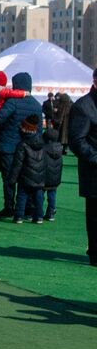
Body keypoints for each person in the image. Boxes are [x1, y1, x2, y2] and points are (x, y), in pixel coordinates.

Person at [0, 71, 42, 217]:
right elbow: (38, 129)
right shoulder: (37, 105)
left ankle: (9, 207)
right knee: (27, 177)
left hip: (9, 147)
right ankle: (28, 208)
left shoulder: (12, 102)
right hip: (29, 149)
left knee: (9, 178)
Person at [68, 69, 97, 265]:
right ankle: (94, 253)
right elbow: (77, 141)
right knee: (95, 218)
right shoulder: (84, 107)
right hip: (94, 174)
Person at [13, 115, 46, 224]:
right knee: (39, 197)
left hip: (26, 175)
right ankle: (39, 216)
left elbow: (18, 163)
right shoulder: (42, 143)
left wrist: (12, 178)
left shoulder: (23, 144)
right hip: (39, 175)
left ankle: (18, 216)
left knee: (22, 196)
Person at [40, 123, 65, 222]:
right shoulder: (59, 149)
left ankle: (38, 212)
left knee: (40, 194)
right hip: (55, 177)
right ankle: (51, 213)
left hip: (44, 175)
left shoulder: (43, 148)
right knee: (52, 195)